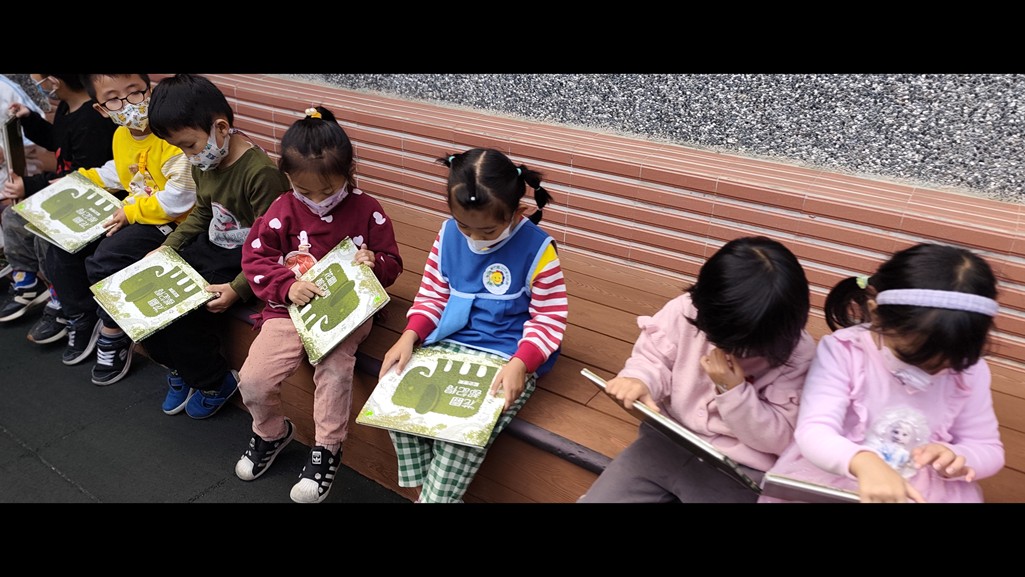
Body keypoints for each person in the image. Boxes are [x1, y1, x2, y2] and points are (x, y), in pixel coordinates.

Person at [378, 147, 568, 503]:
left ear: (519, 212)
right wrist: (409, 335)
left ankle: (433, 498)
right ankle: (431, 496)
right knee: (393, 403)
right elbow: (433, 294)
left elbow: (549, 317)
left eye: (489, 230)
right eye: (464, 226)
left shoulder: (538, 249)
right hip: (448, 343)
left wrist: (521, 364)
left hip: (507, 356)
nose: (476, 239)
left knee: (461, 437)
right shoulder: (448, 234)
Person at [234, 106, 402, 503]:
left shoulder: (368, 209)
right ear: (288, 177)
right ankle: (270, 432)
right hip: (289, 311)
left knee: (335, 368)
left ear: (349, 172)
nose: (317, 201)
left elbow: (392, 262)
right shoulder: (281, 210)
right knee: (253, 380)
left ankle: (327, 448)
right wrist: (286, 286)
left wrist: (375, 263)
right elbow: (255, 259)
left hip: (347, 311)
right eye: (303, 191)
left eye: (327, 191)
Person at [758, 242, 1005, 503]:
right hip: (838, 478)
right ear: (876, 315)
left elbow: (988, 447)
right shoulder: (845, 351)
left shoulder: (971, 370)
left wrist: (959, 457)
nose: (930, 374)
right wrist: (861, 461)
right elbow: (814, 430)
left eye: (949, 365)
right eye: (912, 357)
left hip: (925, 493)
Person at [577, 236, 816, 503]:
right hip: (668, 441)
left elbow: (781, 438)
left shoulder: (796, 355)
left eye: (747, 349)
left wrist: (733, 391)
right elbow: (654, 357)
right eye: (718, 339)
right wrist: (640, 379)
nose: (731, 352)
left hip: (739, 469)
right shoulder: (688, 311)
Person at [143, 73, 290, 419]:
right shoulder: (204, 161)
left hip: (246, 260)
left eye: (189, 145)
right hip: (210, 247)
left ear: (221, 128)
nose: (188, 155)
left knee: (183, 315)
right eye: (180, 148)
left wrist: (238, 289)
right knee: (149, 298)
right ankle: (179, 367)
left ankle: (214, 381)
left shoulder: (260, 173)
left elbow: (273, 245)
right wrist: (168, 247)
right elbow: (202, 213)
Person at [41, 73, 196, 386]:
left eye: (134, 92)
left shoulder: (171, 135)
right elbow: (119, 171)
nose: (127, 104)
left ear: (150, 92)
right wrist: (82, 179)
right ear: (101, 109)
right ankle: (82, 315)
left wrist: (131, 212)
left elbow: (181, 198)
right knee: (60, 243)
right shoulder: (122, 135)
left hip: (169, 223)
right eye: (113, 99)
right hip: (133, 212)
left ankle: (113, 332)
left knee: (105, 259)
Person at [0, 74, 116, 343]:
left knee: (45, 234)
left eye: (40, 80)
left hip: (86, 197)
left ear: (55, 80)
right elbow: (57, 141)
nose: (37, 86)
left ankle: (61, 298)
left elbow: (82, 174)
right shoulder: (66, 108)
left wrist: (30, 185)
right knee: (13, 216)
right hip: (63, 191)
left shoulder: (92, 120)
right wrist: (29, 119)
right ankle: (26, 281)